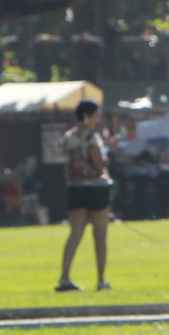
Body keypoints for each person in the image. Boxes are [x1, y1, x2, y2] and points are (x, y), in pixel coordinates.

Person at [57, 99, 112, 292]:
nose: (98, 119)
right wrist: (109, 151)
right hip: (95, 189)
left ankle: (64, 277)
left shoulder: (68, 136)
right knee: (100, 236)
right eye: (96, 115)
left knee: (75, 233)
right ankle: (101, 280)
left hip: (75, 188)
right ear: (87, 115)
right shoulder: (92, 137)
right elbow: (100, 164)